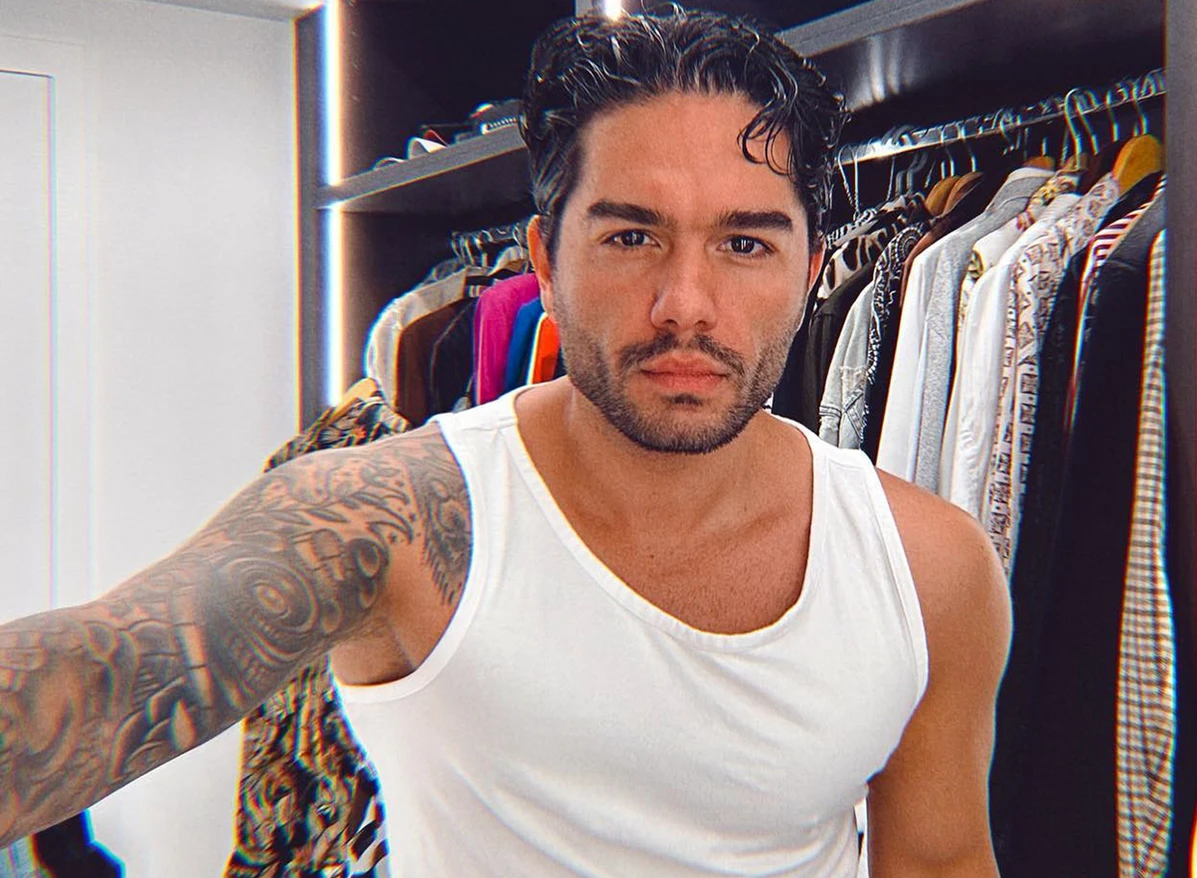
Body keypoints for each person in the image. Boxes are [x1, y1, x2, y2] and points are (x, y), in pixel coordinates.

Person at [0, 7, 1010, 876]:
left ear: (810, 269)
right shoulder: (392, 518)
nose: (685, 303)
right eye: (630, 236)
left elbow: (939, 860)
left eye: (744, 243)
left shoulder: (925, 567)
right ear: (545, 261)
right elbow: (98, 676)